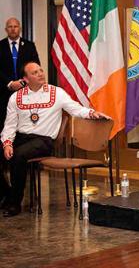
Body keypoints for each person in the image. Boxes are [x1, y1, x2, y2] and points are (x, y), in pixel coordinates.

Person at [0, 62, 107, 217]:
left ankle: (14, 203)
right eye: (35, 72)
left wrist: (92, 113)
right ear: (26, 79)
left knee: (19, 155)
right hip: (21, 137)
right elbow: (9, 125)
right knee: (11, 151)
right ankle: (6, 194)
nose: (40, 74)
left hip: (44, 140)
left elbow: (75, 108)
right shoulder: (15, 98)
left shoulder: (57, 93)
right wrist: (7, 144)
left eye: (41, 70)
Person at [0, 17, 40, 133]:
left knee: (24, 124)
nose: (13, 29)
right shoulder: (0, 46)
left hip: (25, 92)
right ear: (6, 29)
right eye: (10, 27)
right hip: (3, 93)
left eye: (15, 26)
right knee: (5, 125)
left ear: (20, 29)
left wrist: (22, 82)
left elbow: (35, 66)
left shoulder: (29, 46)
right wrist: (10, 83)